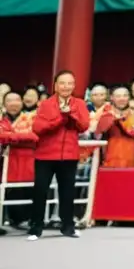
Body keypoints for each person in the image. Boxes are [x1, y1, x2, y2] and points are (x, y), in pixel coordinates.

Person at [28, 70, 90, 240]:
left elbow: (84, 126)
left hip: (69, 155)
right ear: (55, 85)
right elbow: (38, 128)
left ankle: (68, 226)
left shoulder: (79, 103)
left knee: (68, 192)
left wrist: (71, 115)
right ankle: (36, 227)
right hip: (45, 155)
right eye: (63, 83)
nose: (66, 87)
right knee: (40, 191)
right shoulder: (46, 104)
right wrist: (60, 119)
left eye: (70, 83)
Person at [0, 90, 37, 231]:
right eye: (9, 100)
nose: (13, 103)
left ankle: (26, 219)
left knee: (27, 189)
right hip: (7, 162)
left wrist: (12, 137)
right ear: (4, 104)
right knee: (8, 190)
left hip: (27, 160)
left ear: (21, 102)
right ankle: (9, 219)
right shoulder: (2, 119)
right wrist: (20, 136)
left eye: (17, 100)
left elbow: (35, 136)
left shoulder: (31, 117)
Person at [94, 86, 134, 168]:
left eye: (125, 95)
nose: (122, 98)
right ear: (112, 98)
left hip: (131, 162)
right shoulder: (105, 116)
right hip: (109, 162)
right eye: (118, 96)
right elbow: (96, 138)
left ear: (129, 97)